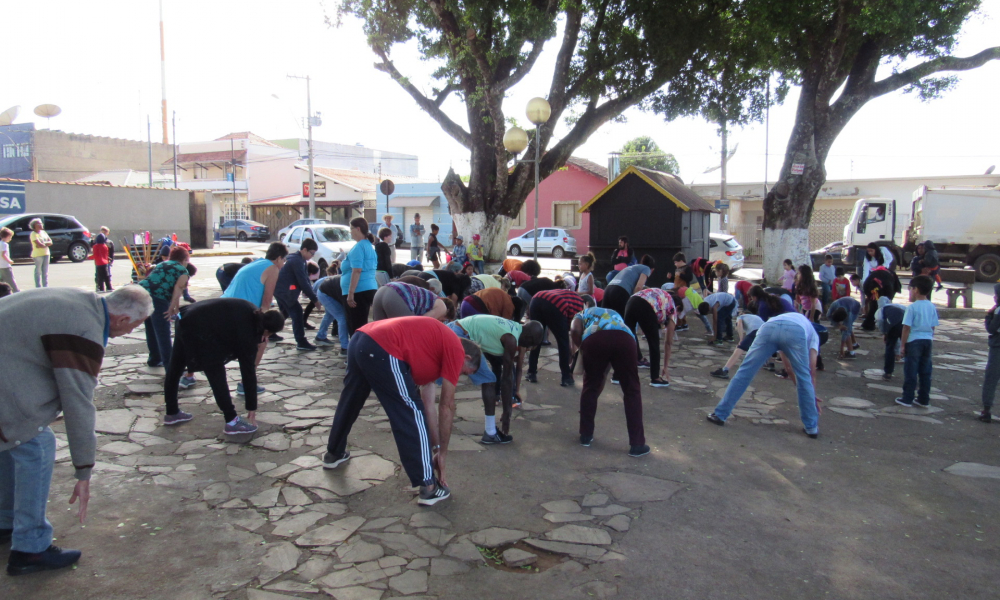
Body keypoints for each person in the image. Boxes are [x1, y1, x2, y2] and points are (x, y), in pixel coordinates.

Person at [0, 286, 152, 575]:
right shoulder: (84, 332)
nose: (132, 332)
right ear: (121, 319)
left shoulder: (83, 300)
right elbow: (78, 403)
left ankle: (5, 521)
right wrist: (84, 470)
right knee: (35, 443)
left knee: (12, 443)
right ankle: (29, 549)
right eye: (136, 325)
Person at [322, 317, 481, 505]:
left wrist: (437, 449)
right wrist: (444, 454)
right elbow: (446, 406)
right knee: (410, 412)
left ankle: (334, 453)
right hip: (383, 346)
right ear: (467, 358)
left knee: (350, 401)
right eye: (464, 373)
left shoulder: (435, 348)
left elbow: (428, 405)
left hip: (361, 338)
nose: (459, 376)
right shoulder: (456, 349)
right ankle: (429, 487)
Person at [163, 298, 285, 435]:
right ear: (267, 330)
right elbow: (248, 370)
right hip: (199, 327)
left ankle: (172, 412)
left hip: (186, 316)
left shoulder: (252, 310)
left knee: (176, 365)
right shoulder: (248, 332)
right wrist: (252, 407)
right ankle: (231, 420)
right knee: (216, 373)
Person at [707, 310, 821, 439]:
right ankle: (811, 427)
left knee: (745, 371)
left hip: (769, 327)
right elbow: (810, 372)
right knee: (804, 377)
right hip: (795, 331)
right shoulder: (814, 336)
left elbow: (788, 367)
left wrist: (809, 394)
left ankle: (720, 414)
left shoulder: (793, 319)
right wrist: (811, 397)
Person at [570, 300, 649, 457]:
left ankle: (586, 435)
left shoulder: (582, 313)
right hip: (626, 339)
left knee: (590, 386)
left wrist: (581, 349)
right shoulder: (614, 314)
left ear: (586, 305)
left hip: (595, 339)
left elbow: (575, 330)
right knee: (632, 390)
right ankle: (637, 444)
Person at [450, 315, 542, 443]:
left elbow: (497, 364)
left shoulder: (513, 328)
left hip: (457, 328)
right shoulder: (511, 339)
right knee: (488, 381)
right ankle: (490, 433)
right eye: (531, 345)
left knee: (433, 379)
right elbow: (507, 379)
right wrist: (507, 413)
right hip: (460, 334)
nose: (528, 348)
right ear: (529, 338)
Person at [223, 241, 288, 360]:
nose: (283, 264)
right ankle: (250, 376)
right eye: (284, 260)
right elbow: (267, 300)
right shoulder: (273, 268)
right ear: (279, 258)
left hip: (225, 305)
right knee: (261, 342)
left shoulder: (256, 263)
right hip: (239, 310)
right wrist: (263, 326)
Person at [138, 246, 190, 368]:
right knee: (163, 332)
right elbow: (178, 289)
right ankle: (170, 367)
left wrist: (176, 307)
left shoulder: (162, 264)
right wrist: (171, 308)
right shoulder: (183, 271)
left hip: (142, 294)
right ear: (184, 259)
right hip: (158, 297)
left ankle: (155, 358)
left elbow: (170, 288)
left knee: (151, 327)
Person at [526, 289, 586, 387]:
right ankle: (566, 377)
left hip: (537, 298)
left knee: (536, 337)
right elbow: (572, 330)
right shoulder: (580, 305)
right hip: (555, 303)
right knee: (563, 341)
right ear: (586, 302)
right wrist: (570, 350)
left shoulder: (570, 295)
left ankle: (531, 373)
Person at [895, 275, 938, 408]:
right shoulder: (931, 306)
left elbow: (906, 327)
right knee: (925, 371)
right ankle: (924, 398)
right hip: (927, 340)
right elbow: (933, 325)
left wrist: (902, 344)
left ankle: (907, 397)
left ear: (916, 290)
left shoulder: (912, 307)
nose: (910, 291)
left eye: (911, 288)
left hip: (914, 341)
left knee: (911, 370)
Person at [622, 288, 676, 387]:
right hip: (646, 305)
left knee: (627, 338)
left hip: (631, 301)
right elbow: (668, 342)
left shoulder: (663, 297)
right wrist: (665, 366)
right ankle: (655, 378)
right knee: (654, 343)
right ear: (679, 306)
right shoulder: (672, 308)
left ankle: (618, 376)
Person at [273, 238, 320, 351]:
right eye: (311, 253)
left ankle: (270, 331)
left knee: (285, 313)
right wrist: (314, 299)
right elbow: (303, 281)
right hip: (285, 291)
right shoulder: (297, 260)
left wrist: (311, 292)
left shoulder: (299, 259)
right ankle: (301, 341)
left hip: (281, 290)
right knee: (297, 313)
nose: (312, 256)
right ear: (304, 249)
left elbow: (305, 279)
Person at [342, 217, 379, 337]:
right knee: (361, 324)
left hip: (359, 290)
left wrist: (350, 293)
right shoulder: (368, 245)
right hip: (369, 287)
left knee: (355, 327)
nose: (350, 232)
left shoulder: (359, 247)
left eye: (351, 229)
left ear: (358, 229)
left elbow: (357, 270)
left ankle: (357, 353)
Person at [710, 311, 765, 379]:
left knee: (739, 349)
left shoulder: (741, 316)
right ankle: (769, 364)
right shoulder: (757, 317)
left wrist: (741, 339)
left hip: (756, 331)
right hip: (766, 331)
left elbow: (739, 324)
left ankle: (725, 370)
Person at [372, 281, 455, 321]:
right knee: (407, 333)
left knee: (378, 335)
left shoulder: (432, 300)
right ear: (446, 313)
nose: (440, 322)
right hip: (397, 295)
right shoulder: (442, 307)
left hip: (382, 290)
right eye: (442, 320)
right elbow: (420, 323)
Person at [978, 283, 1000, 423]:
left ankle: (986, 410)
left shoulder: (997, 311)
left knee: (991, 379)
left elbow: (992, 329)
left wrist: (988, 316)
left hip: (997, 346)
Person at [315, 268, 350, 354]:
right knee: (342, 317)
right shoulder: (349, 284)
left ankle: (320, 336)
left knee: (330, 315)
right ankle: (345, 347)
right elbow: (345, 302)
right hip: (325, 293)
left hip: (326, 291)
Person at [875, 296, 906, 381]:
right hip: (905, 322)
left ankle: (888, 373)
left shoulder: (880, 310)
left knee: (890, 347)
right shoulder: (897, 305)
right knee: (908, 347)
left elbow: (880, 322)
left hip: (892, 325)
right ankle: (912, 374)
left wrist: (885, 333)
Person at [29, 218, 52, 288]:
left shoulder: (44, 232)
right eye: (38, 223)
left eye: (41, 223)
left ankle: (45, 286)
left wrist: (43, 244)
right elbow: (38, 245)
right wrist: (45, 244)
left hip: (46, 253)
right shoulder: (33, 234)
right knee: (38, 271)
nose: (41, 225)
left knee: (45, 272)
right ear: (34, 226)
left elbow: (50, 242)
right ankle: (38, 287)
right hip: (38, 255)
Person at [92, 227, 113, 292]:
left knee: (107, 274)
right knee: (98, 275)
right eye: (102, 231)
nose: (103, 233)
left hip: (106, 261)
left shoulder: (109, 242)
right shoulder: (96, 242)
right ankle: (99, 287)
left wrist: (111, 260)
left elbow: (111, 252)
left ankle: (108, 287)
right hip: (99, 262)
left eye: (105, 232)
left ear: (107, 233)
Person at [0, 227, 19, 293]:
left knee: (2, 280)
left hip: (1, 266)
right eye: (10, 237)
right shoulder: (4, 244)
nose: (10, 239)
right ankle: (16, 291)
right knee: (10, 280)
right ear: (7, 236)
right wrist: (9, 261)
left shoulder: (0, 243)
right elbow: (3, 254)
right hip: (5, 265)